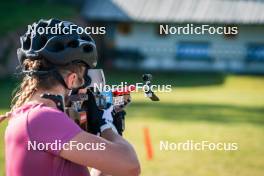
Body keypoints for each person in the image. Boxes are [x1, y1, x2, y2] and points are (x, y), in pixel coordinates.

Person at [1, 19, 140, 176]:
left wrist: (104, 143)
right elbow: (131, 166)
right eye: (82, 79)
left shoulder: (26, 116)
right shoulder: (44, 118)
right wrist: (106, 125)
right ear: (72, 79)